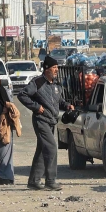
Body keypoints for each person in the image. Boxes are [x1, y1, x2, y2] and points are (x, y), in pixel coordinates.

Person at [18, 55, 72, 191]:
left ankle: (34, 181)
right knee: (51, 148)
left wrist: (66, 105)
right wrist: (36, 107)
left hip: (51, 121)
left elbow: (59, 101)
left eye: (57, 67)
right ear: (46, 69)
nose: (56, 70)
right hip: (41, 120)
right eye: (54, 67)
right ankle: (51, 180)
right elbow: (22, 95)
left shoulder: (56, 85)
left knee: (42, 150)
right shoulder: (37, 82)